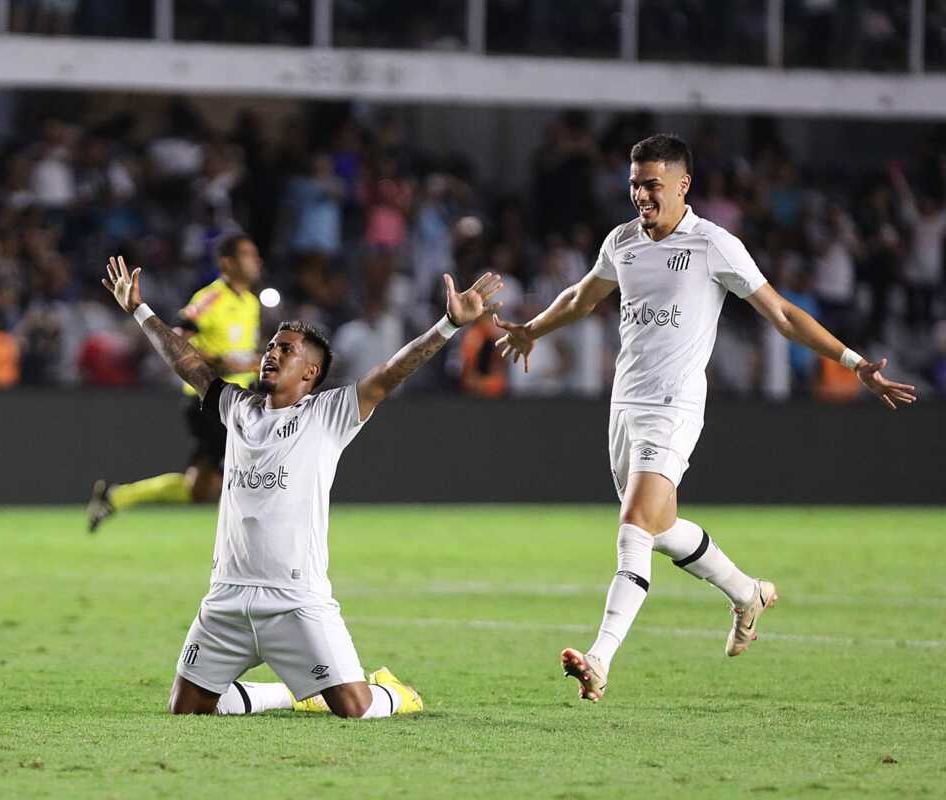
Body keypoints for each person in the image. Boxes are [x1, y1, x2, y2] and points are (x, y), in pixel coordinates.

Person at [493, 134, 916, 702]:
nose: (641, 195)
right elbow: (581, 298)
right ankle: (747, 593)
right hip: (626, 405)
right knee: (661, 528)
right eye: (635, 185)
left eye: (652, 185)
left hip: (674, 407)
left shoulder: (714, 244)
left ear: (683, 185)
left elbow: (782, 314)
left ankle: (599, 658)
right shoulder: (622, 241)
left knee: (634, 525)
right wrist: (531, 329)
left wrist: (854, 362)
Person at [101, 254, 502, 718]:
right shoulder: (238, 408)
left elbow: (391, 372)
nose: (271, 353)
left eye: (286, 350)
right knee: (187, 708)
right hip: (226, 597)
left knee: (354, 708)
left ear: (310, 373)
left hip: (294, 601)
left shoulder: (328, 415)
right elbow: (188, 363)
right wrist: (140, 310)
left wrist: (448, 325)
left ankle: (398, 694)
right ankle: (289, 694)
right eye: (271, 345)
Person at [87, 233, 262, 532]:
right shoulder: (211, 298)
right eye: (248, 255)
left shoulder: (251, 303)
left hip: (239, 400)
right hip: (210, 401)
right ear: (227, 263)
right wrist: (219, 361)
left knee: (200, 488)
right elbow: (178, 338)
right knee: (250, 469)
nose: (256, 261)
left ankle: (116, 496)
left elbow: (241, 353)